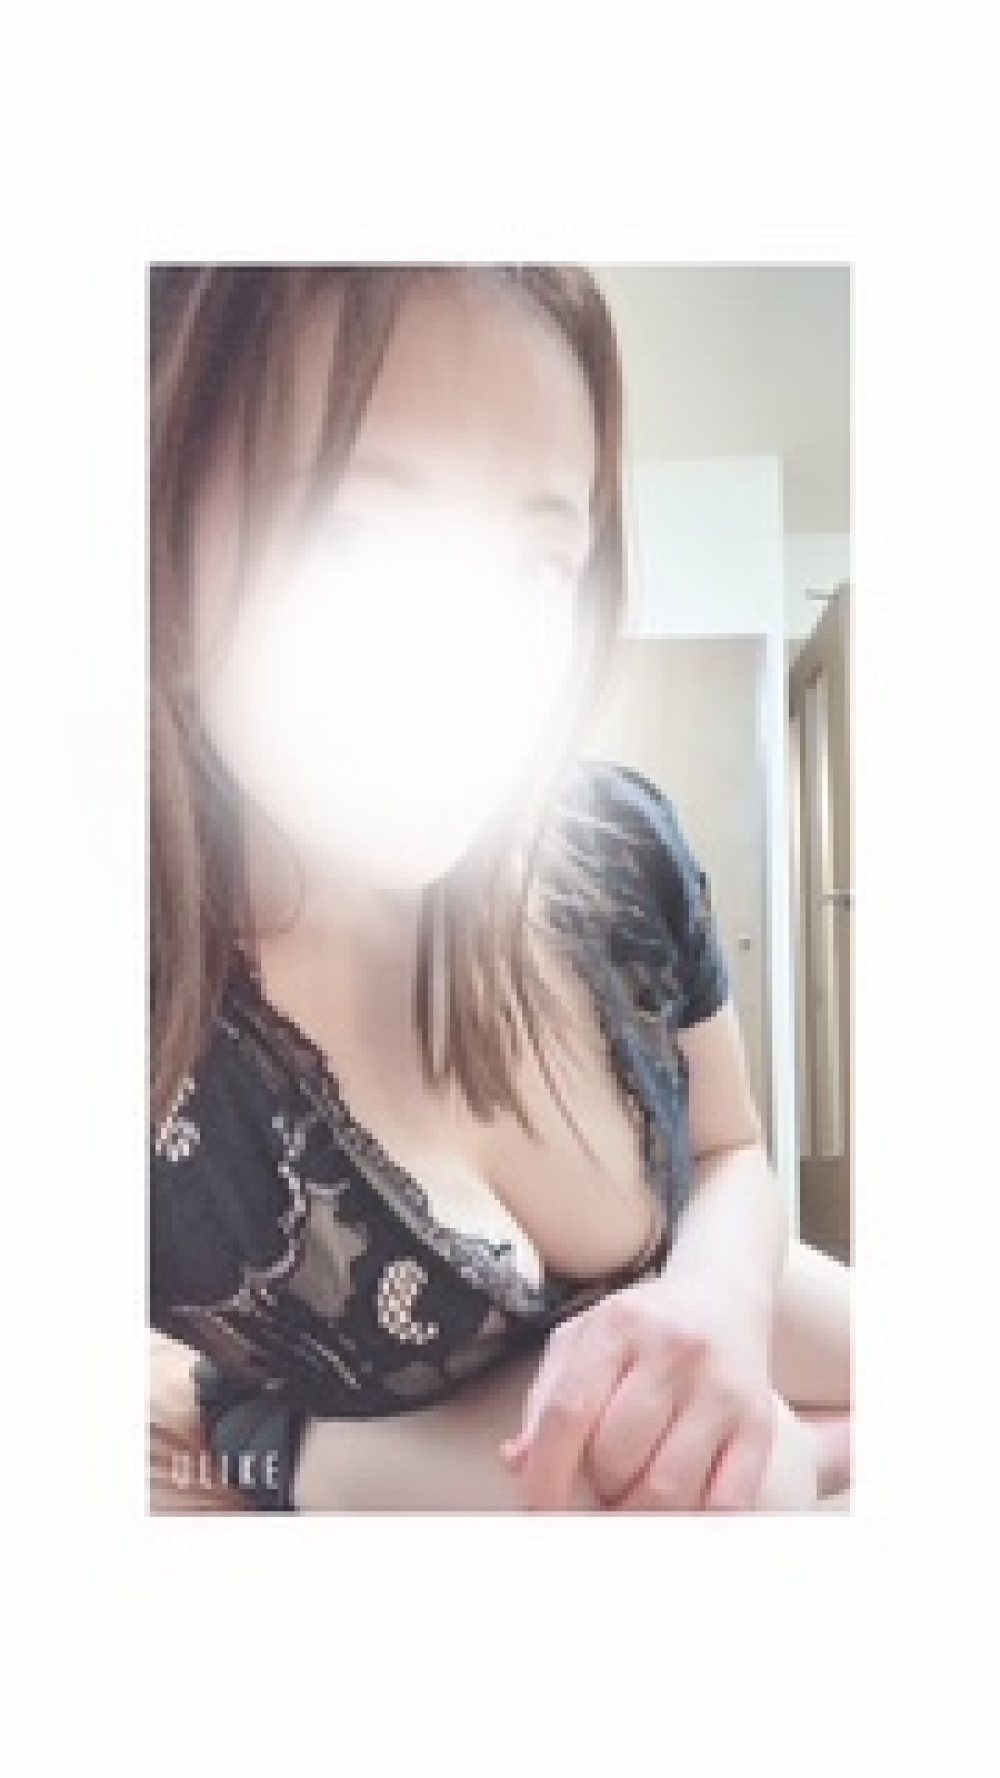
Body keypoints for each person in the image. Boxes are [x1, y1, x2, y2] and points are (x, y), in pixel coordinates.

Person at [149, 265, 852, 1513]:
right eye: (354, 536)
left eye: (535, 566)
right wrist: (292, 1459)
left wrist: (715, 1303)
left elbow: (730, 1146)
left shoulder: (619, 850)